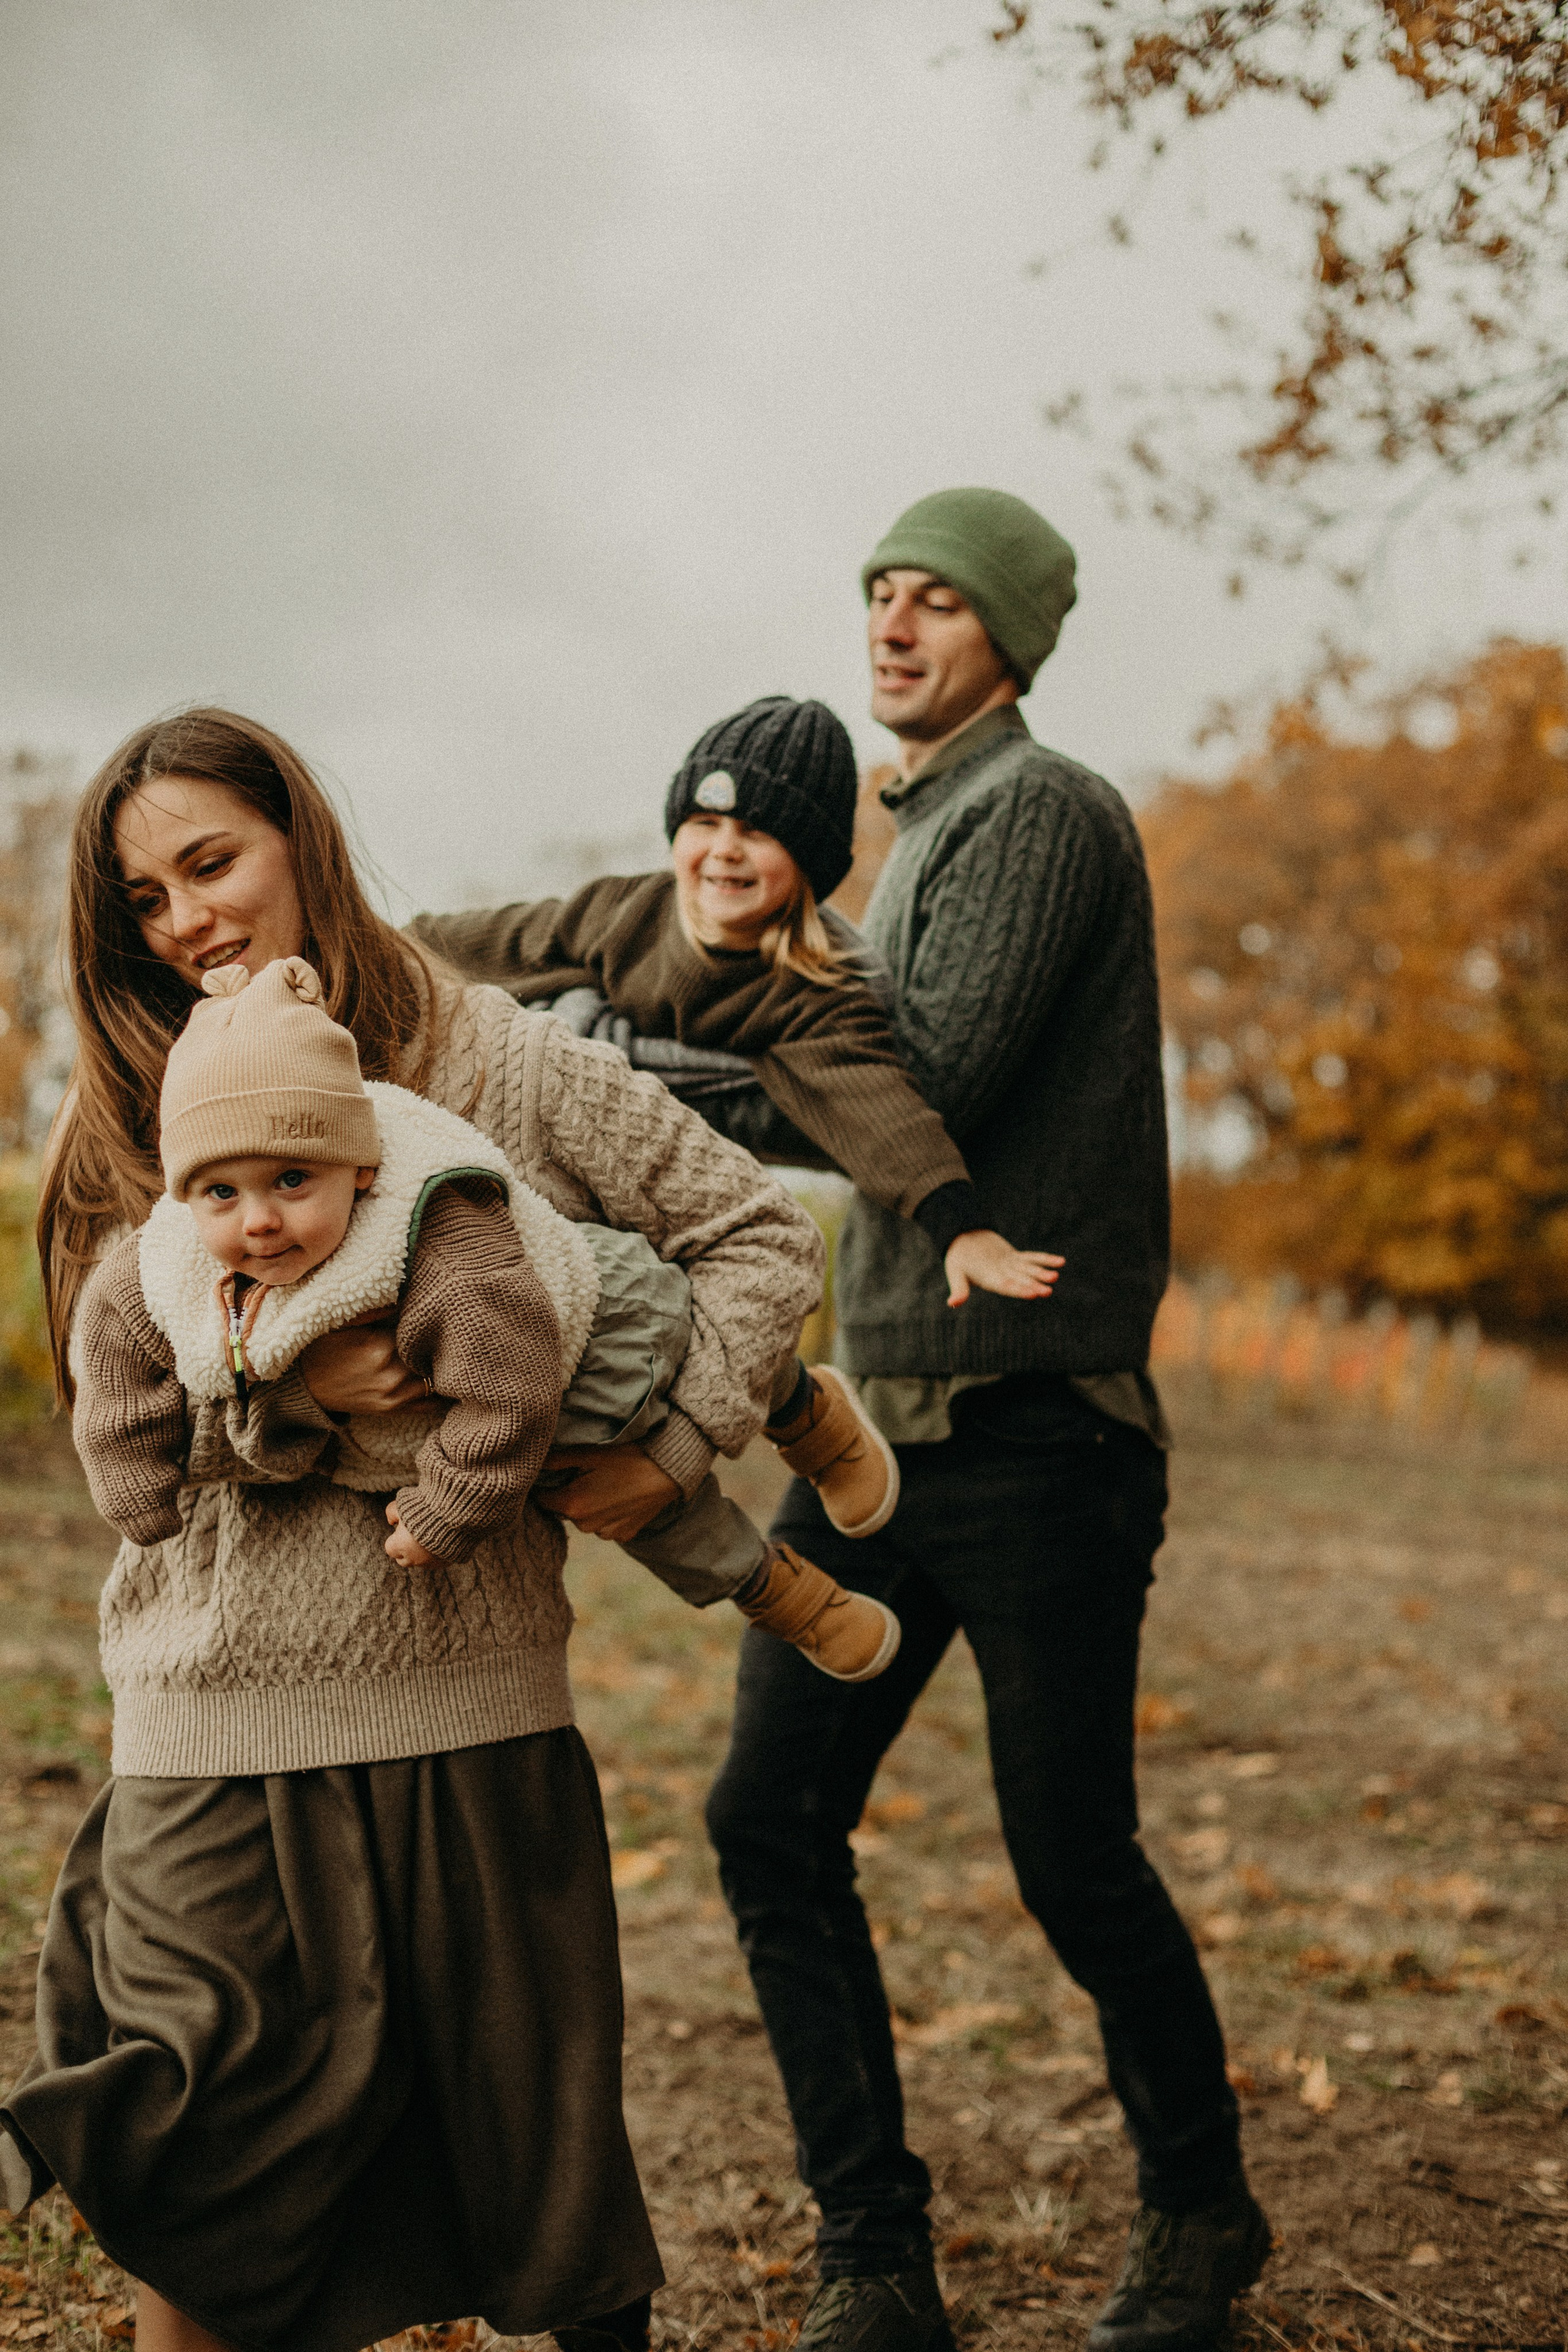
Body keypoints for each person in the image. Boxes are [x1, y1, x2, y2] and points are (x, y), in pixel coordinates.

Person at [3, 706, 826, 2352]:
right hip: (207, 1714)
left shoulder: (495, 1061)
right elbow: (135, 1431)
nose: (189, 923)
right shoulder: (139, 1115)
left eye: (213, 864)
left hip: (466, 1705)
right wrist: (318, 1396)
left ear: (301, 837)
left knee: (538, 2208)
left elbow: (755, 1234)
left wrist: (668, 1449)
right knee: (205, 2180)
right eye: (147, 904)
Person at [688, 491, 1268, 2352]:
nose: (895, 623)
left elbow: (911, 1086)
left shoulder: (1042, 812)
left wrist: (652, 1058)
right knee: (772, 1820)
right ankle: (875, 2259)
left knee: (1069, 1854)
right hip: (878, 1447)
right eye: (878, 593)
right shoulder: (907, 842)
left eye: (937, 600)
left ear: (1009, 640)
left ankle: (1200, 2221)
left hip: (1041, 1440)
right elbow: (844, 1076)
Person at [74, 952, 900, 1684]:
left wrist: (451, 1507)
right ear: (185, 1196)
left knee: (689, 1329)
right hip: (549, 1427)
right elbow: (115, 1330)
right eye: (223, 1192)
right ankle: (784, 1595)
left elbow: (509, 1387)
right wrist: (129, 1466)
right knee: (655, 1520)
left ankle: (809, 1415)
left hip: (590, 1332)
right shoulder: (179, 1249)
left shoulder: (436, 1235)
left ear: (358, 1170)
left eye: (293, 1180)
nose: (257, 1221)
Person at [413, 692, 1063, 1562]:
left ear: (810, 860)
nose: (724, 850)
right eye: (706, 821)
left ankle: (815, 1426)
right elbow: (474, 943)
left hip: (687, 1198)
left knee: (704, 1314)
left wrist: (959, 1223)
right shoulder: (625, 912)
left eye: (757, 832)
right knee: (590, 1386)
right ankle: (753, 1564)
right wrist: (343, 962)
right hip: (577, 1174)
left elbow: (879, 1109)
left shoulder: (817, 986)